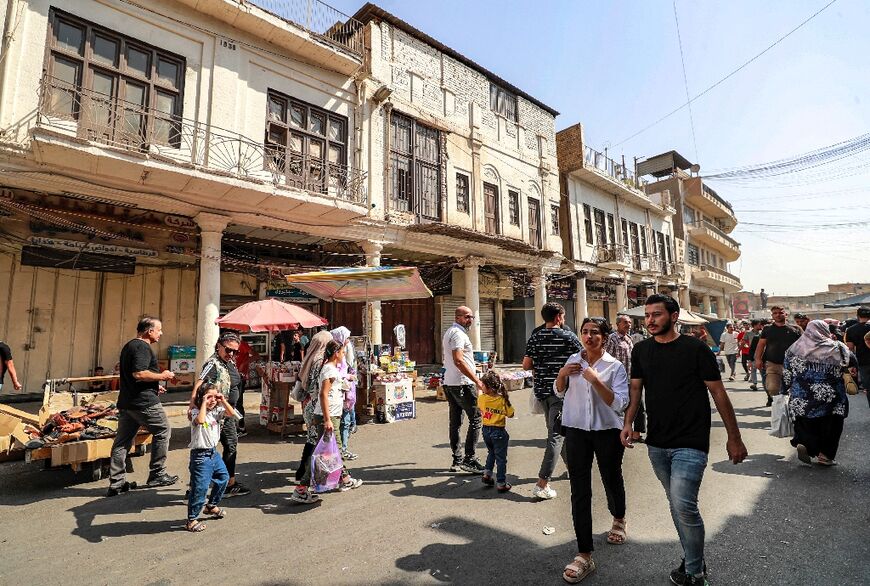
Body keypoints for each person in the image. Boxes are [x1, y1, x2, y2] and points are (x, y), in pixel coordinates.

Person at [621, 295, 747, 586]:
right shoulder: (641, 350)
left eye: (657, 314)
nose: (650, 320)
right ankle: (694, 556)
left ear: (674, 316)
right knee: (676, 503)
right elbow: (636, 392)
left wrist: (734, 438)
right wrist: (628, 423)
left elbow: (718, 393)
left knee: (683, 505)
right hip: (657, 443)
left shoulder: (696, 349)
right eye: (648, 315)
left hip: (691, 441)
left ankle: (694, 573)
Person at [556, 317, 630, 584]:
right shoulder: (573, 361)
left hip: (607, 432)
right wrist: (563, 374)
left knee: (611, 477)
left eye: (595, 333)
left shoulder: (615, 366)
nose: (588, 337)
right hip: (576, 431)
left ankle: (618, 517)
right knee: (579, 489)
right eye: (585, 332)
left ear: (605, 337)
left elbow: (619, 403)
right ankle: (584, 553)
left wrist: (597, 380)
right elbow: (559, 390)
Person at [107, 317, 178, 497]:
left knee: (122, 442)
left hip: (128, 402)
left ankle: (117, 483)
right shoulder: (142, 347)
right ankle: (157, 474)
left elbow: (135, 376)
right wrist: (163, 375)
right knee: (163, 430)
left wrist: (155, 385)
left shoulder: (129, 346)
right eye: (159, 330)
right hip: (143, 403)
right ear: (149, 331)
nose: (161, 333)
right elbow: (139, 373)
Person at [523, 302, 582, 500]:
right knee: (556, 436)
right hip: (562, 393)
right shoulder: (569, 337)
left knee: (557, 433)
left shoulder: (535, 337)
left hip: (542, 392)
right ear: (558, 317)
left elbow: (526, 365)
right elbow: (583, 359)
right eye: (563, 316)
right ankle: (542, 483)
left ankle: (574, 469)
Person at [294, 340, 363, 499]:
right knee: (330, 452)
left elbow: (331, 390)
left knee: (331, 451)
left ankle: (344, 479)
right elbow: (323, 394)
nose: (344, 354)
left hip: (331, 415)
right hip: (328, 415)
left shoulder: (331, 369)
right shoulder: (329, 370)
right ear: (336, 353)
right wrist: (327, 420)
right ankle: (302, 488)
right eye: (342, 351)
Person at [784, 320, 855, 466]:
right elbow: (852, 361)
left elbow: (787, 373)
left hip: (802, 395)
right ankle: (825, 456)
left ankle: (805, 443)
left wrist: (784, 389)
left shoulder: (795, 348)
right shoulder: (837, 347)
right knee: (832, 425)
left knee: (805, 422)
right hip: (831, 396)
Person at [189, 331, 250, 497]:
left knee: (227, 446)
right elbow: (200, 382)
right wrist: (193, 405)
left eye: (235, 351)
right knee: (215, 447)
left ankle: (225, 482)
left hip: (226, 411)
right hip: (215, 412)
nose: (231, 354)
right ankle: (215, 484)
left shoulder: (229, 362)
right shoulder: (213, 363)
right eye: (228, 350)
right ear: (219, 346)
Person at [185, 382, 238, 532]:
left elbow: (232, 414)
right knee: (200, 489)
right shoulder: (195, 412)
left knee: (224, 478)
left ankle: (211, 506)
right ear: (202, 398)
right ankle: (192, 520)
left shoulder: (217, 411)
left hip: (213, 454)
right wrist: (203, 401)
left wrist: (222, 399)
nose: (212, 400)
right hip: (200, 456)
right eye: (209, 397)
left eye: (215, 397)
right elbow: (201, 421)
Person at [291, 330, 334, 504]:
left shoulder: (310, 357)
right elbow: (319, 386)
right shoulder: (320, 361)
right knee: (316, 443)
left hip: (308, 404)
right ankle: (304, 483)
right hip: (316, 406)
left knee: (312, 440)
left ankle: (303, 473)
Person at [442, 306, 486, 474]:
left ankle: (457, 460)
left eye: (472, 317)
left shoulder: (451, 332)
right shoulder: (458, 334)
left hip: (451, 383)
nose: (471, 320)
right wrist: (477, 381)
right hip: (462, 384)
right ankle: (469, 459)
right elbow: (458, 360)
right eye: (468, 317)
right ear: (458, 317)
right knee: (476, 419)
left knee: (456, 422)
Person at [605, 315, 643, 442]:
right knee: (619, 407)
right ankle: (616, 431)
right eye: (626, 322)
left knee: (638, 405)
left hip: (632, 378)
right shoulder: (612, 338)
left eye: (630, 323)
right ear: (618, 324)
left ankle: (637, 434)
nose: (629, 325)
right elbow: (607, 358)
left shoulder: (628, 338)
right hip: (619, 380)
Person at [755, 306, 801, 407]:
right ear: (772, 315)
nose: (778, 315)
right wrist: (757, 359)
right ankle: (779, 407)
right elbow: (761, 345)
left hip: (792, 365)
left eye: (780, 313)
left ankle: (789, 408)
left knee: (793, 390)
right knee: (772, 388)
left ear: (785, 314)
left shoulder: (796, 329)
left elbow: (803, 346)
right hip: (772, 364)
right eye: (775, 313)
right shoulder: (767, 329)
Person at [477, 371, 514, 493]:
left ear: (489, 388)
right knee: (501, 458)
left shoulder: (481, 398)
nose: (481, 387)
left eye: (483, 385)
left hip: (486, 430)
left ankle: (487, 474)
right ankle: (501, 483)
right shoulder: (502, 399)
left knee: (491, 452)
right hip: (498, 431)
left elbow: (479, 406)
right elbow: (511, 414)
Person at [331, 326, 358, 461]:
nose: (348, 340)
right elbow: (337, 374)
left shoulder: (345, 350)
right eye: (346, 337)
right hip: (339, 394)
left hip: (347, 392)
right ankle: (341, 450)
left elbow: (350, 365)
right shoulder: (335, 355)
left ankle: (343, 449)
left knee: (345, 421)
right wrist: (348, 377)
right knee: (343, 422)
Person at [234, 336, 260, 437]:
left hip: (240, 377)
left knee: (238, 402)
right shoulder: (225, 346)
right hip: (229, 377)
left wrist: (244, 363)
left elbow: (256, 355)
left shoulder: (242, 345)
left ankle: (241, 427)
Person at [844, 307, 870, 405]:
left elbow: (849, 348)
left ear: (858, 316)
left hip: (863, 362)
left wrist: (850, 365)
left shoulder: (851, 329)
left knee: (868, 388)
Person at [747, 320, 765, 391]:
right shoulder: (756, 337)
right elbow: (752, 349)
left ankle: (765, 384)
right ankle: (754, 384)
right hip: (755, 357)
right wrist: (750, 360)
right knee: (753, 370)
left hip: (765, 358)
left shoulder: (772, 336)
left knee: (762, 372)